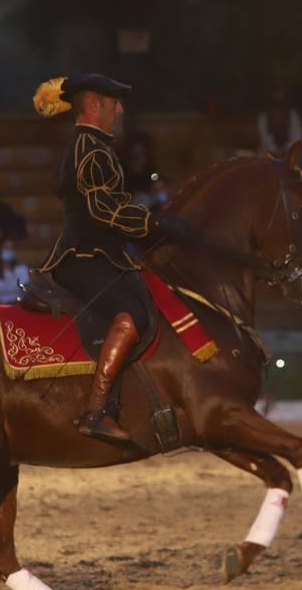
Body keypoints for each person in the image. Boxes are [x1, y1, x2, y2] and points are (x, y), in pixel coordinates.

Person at [32, 73, 191, 447]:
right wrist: (156, 224)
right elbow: (106, 210)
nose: (120, 109)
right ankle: (97, 412)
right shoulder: (91, 149)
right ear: (93, 105)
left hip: (100, 254)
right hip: (84, 256)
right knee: (130, 316)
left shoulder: (90, 146)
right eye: (113, 102)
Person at [256, 88, 302, 155]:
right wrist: (274, 150)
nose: (277, 97)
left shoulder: (292, 114)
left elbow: (298, 134)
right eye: (275, 95)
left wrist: (287, 147)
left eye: (280, 95)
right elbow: (264, 136)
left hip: (289, 150)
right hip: (268, 150)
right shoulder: (263, 116)